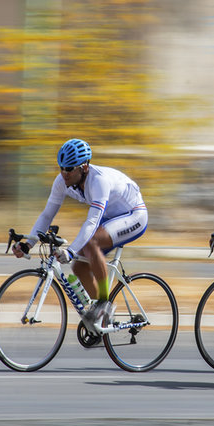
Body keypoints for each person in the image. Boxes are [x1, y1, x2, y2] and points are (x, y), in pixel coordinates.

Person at [12, 138, 148, 328]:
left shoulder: (98, 181)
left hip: (134, 214)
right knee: (79, 267)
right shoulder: (61, 181)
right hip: (112, 217)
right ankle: (102, 321)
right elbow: (47, 215)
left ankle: (104, 303)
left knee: (91, 244)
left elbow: (92, 221)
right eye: (61, 168)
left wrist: (70, 250)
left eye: (69, 169)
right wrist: (28, 244)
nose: (64, 173)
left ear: (84, 167)